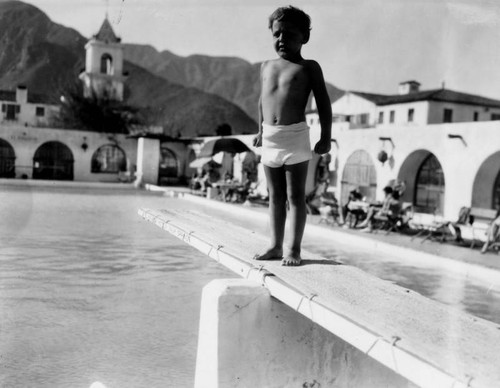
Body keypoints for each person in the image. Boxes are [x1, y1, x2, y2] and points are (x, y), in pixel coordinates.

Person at [252, 6, 332, 266]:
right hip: (271, 139)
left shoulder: (308, 67)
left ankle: (294, 249)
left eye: (289, 34)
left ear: (304, 37)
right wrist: (260, 130)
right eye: (277, 34)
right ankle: (275, 246)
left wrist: (326, 136)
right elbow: (262, 101)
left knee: (295, 196)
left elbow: (323, 103)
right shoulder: (266, 66)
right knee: (274, 196)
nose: (282, 40)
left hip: (295, 137)